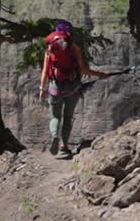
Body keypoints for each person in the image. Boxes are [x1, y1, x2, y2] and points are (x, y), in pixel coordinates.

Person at [37, 21, 111, 158]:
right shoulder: (74, 47)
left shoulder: (49, 49)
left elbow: (45, 71)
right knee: (68, 117)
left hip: (55, 87)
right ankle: (64, 147)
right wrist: (100, 75)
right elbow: (83, 69)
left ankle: (54, 136)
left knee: (55, 116)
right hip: (73, 87)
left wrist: (42, 88)